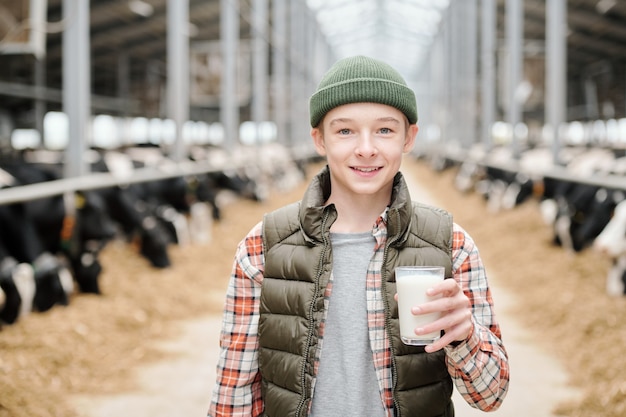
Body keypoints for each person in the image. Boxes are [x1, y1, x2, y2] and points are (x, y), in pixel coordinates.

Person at [208, 55, 509, 417]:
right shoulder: (263, 247)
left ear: (409, 138)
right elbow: (234, 392)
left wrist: (465, 335)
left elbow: (490, 396)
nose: (366, 148)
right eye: (345, 130)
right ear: (319, 139)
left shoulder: (452, 246)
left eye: (384, 130)